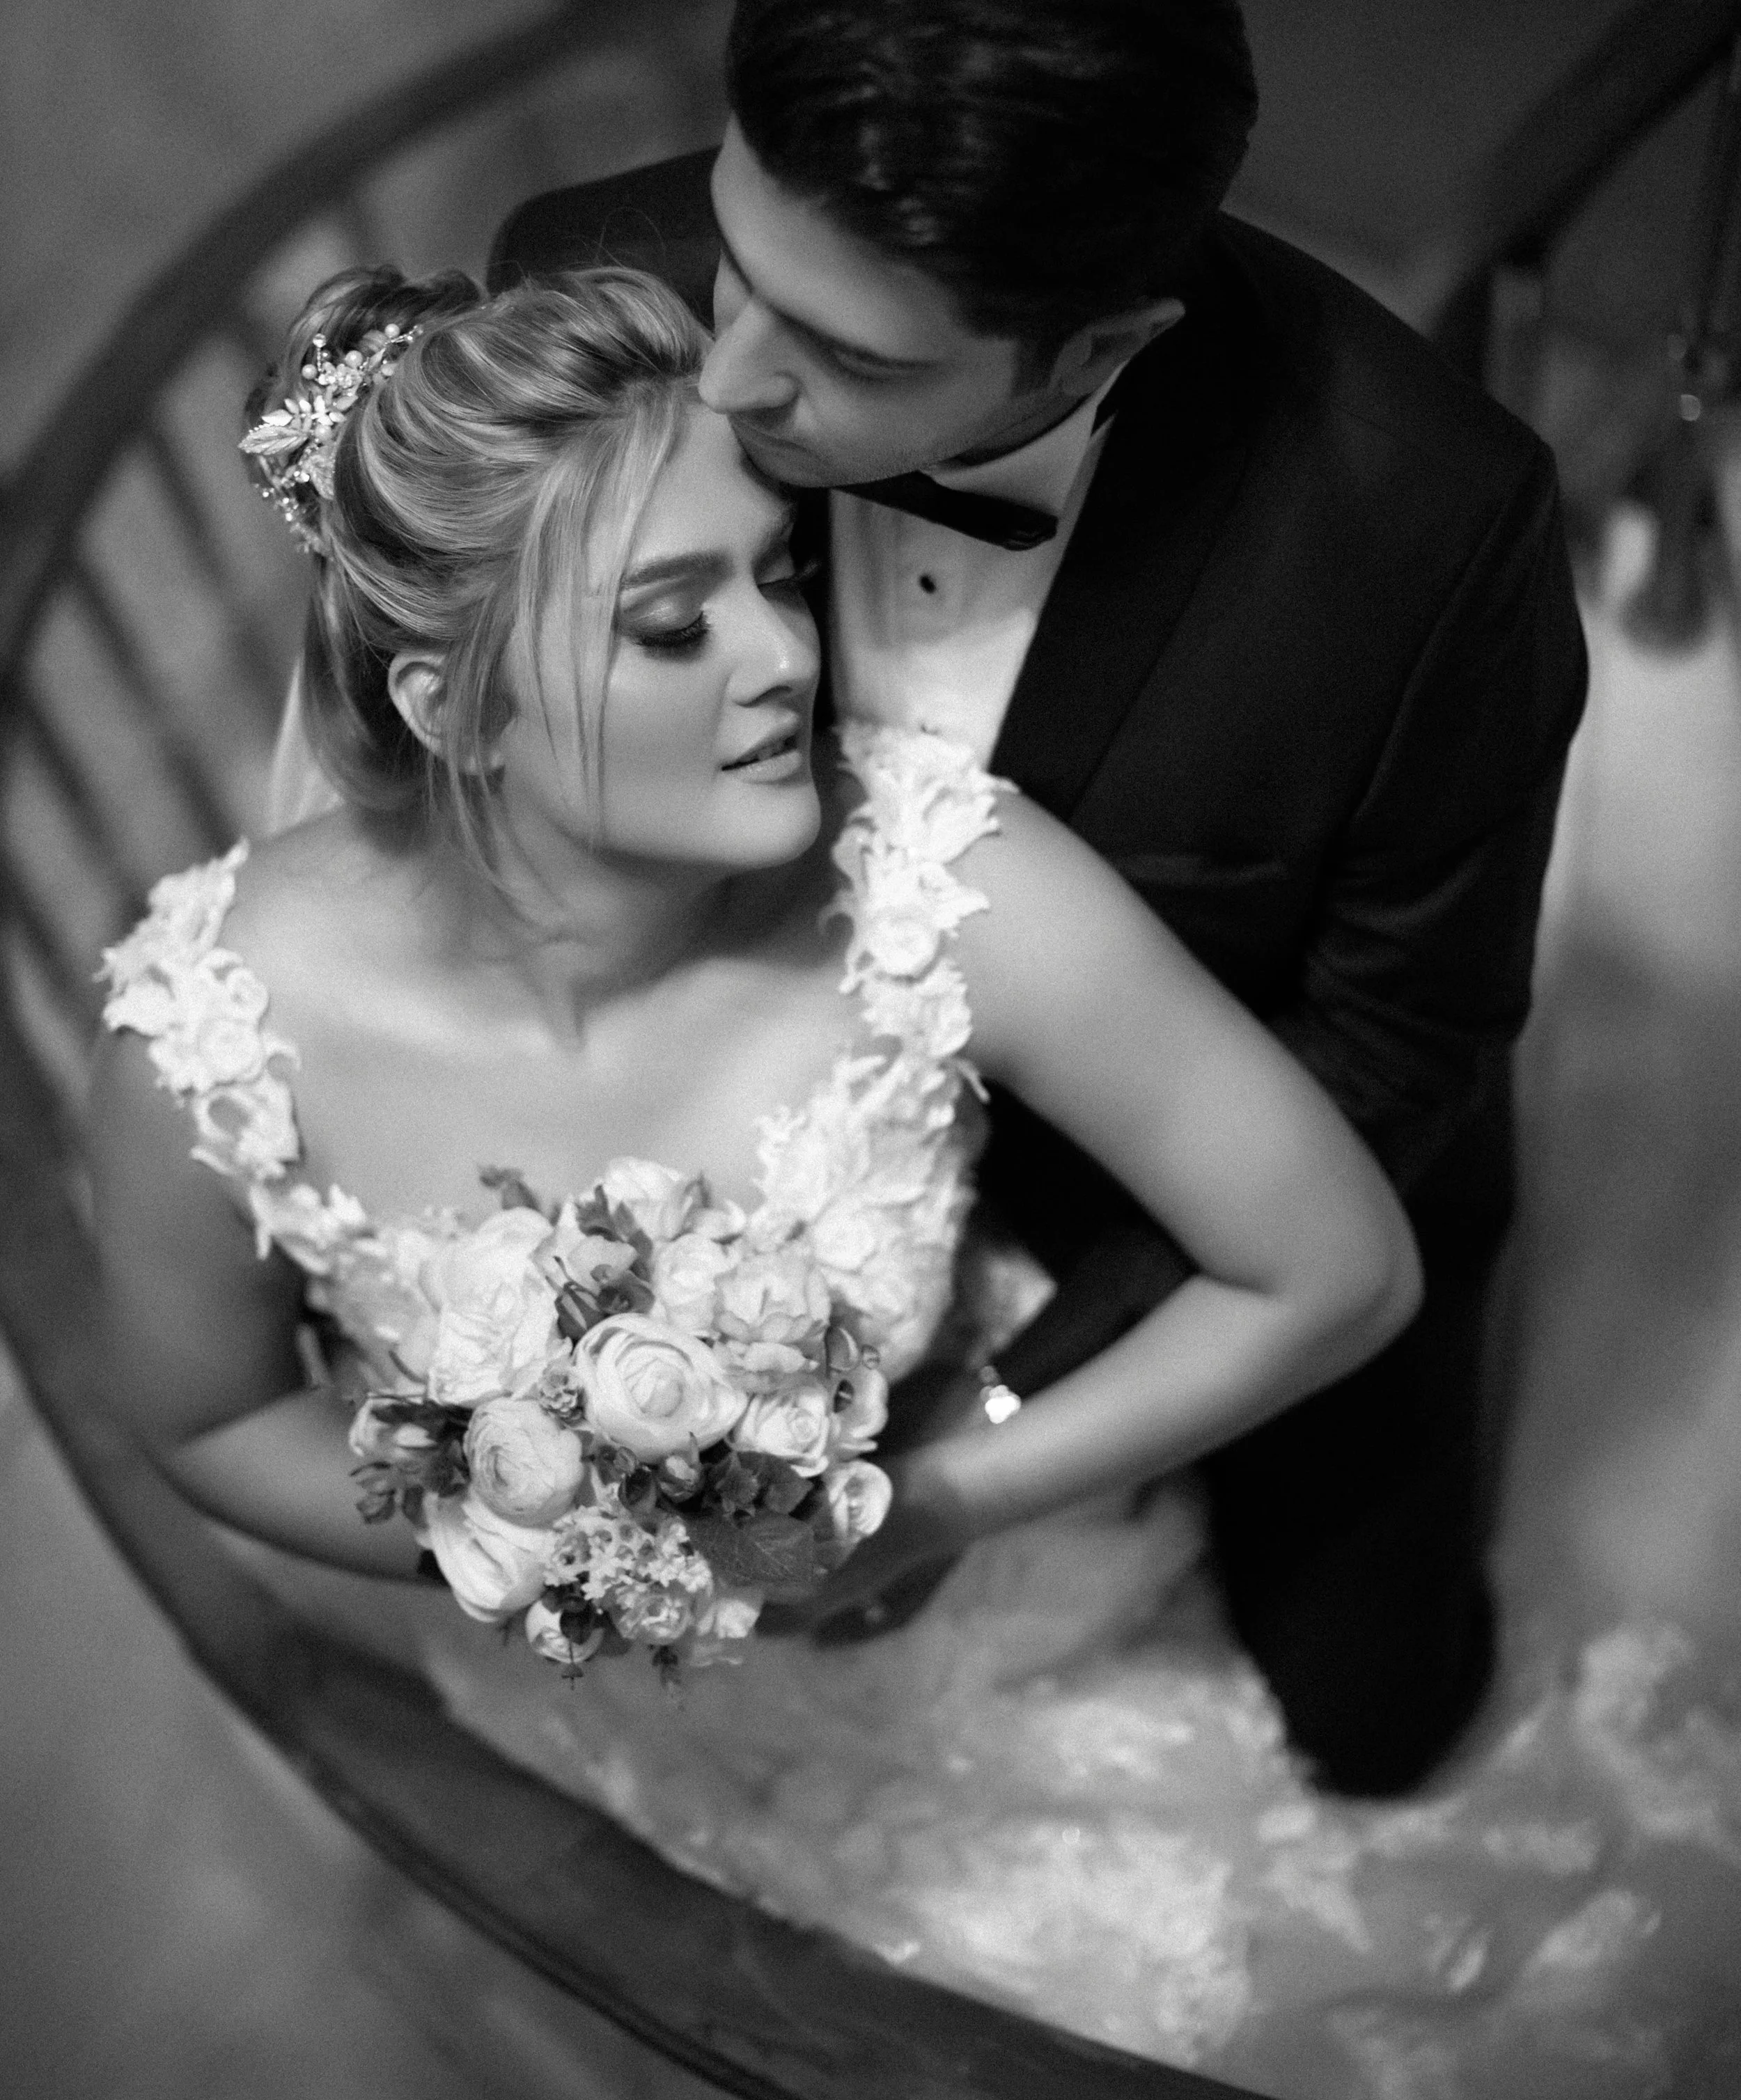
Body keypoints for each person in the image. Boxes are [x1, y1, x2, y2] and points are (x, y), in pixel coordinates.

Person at [467, 0, 1593, 1794]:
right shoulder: (598, 282)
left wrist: (995, 1411)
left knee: (1385, 1725)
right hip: (755, 1107)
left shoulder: (1420, 531)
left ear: (1101, 345)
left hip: (1209, 1177)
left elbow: (1406, 1035)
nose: (730, 377)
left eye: (841, 354)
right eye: (738, 251)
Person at [91, 266, 1417, 1656]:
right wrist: (539, 1555)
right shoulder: (216, 1041)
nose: (786, 651)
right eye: (672, 624)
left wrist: (932, 1504)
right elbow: (212, 1417)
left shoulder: (940, 886)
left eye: (778, 572)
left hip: (947, 1622)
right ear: (457, 706)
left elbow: (1335, 1269)